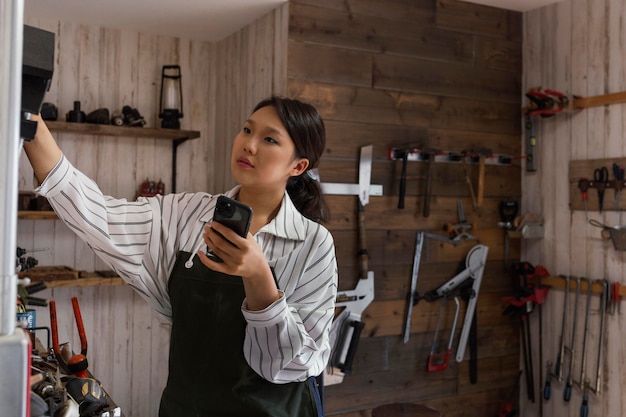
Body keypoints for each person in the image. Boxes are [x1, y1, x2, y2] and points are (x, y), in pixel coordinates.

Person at [24, 96, 338, 417]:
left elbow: (293, 365)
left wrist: (259, 278)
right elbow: (99, 215)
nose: (249, 145)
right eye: (246, 130)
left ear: (298, 166)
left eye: (269, 139)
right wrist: (28, 116)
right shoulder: (186, 214)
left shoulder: (313, 244)